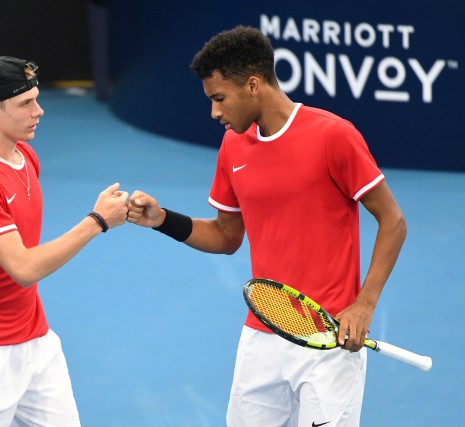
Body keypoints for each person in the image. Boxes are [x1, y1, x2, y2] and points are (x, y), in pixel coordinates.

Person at [127, 26, 407, 426]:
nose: (214, 113)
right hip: (263, 330)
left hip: (327, 338)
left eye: (219, 99)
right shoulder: (233, 146)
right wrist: (161, 220)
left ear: (253, 85)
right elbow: (226, 237)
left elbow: (393, 221)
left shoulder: (333, 136)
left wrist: (364, 304)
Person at [0, 56, 129, 427]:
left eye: (37, 99)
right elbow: (23, 267)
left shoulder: (26, 157)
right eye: (25, 103)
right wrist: (97, 221)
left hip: (33, 338)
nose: (39, 111)